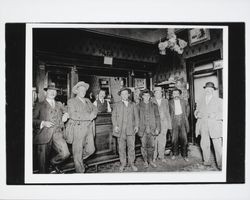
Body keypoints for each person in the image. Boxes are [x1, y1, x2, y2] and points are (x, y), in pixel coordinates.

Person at [33, 83, 70, 173]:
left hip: (57, 133)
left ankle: (52, 163)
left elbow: (67, 111)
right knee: (42, 164)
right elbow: (31, 120)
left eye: (54, 91)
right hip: (43, 134)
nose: (52, 93)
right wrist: (43, 122)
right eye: (50, 91)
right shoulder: (39, 105)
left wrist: (66, 114)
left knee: (65, 153)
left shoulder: (59, 104)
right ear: (46, 92)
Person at [64, 81, 98, 173]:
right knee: (77, 151)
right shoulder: (71, 101)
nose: (83, 92)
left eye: (84, 90)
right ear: (77, 91)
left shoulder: (87, 100)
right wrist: (88, 117)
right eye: (81, 90)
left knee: (91, 150)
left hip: (89, 129)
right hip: (78, 129)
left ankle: (79, 160)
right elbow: (73, 115)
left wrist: (93, 114)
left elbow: (95, 109)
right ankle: (80, 172)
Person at [194, 82, 223, 170]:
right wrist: (197, 114)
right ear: (205, 90)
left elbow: (224, 114)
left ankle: (221, 165)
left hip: (214, 126)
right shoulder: (200, 100)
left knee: (217, 147)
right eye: (207, 89)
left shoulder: (219, 101)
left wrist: (215, 115)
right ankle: (206, 162)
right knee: (204, 144)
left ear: (213, 90)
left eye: (210, 89)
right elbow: (196, 111)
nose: (208, 91)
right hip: (203, 125)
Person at [112, 87, 139, 172]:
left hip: (131, 130)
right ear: (121, 95)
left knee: (131, 148)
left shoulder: (133, 104)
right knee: (121, 148)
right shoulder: (117, 104)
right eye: (122, 94)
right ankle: (123, 164)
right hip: (120, 130)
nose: (124, 95)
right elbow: (113, 116)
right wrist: (115, 126)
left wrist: (137, 126)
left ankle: (132, 163)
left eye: (126, 94)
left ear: (128, 95)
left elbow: (136, 117)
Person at [137, 89, 161, 168]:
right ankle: (145, 161)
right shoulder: (138, 106)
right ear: (142, 97)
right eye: (144, 95)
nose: (146, 97)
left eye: (148, 95)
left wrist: (158, 128)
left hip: (152, 129)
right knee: (143, 146)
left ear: (150, 96)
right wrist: (137, 128)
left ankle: (150, 161)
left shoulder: (154, 105)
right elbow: (136, 118)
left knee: (151, 147)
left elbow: (157, 117)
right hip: (142, 130)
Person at [169, 88, 190, 162]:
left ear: (179, 94)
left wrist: (184, 118)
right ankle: (175, 154)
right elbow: (169, 112)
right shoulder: (170, 102)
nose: (176, 95)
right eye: (174, 94)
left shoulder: (184, 102)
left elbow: (187, 110)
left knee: (184, 139)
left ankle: (185, 155)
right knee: (174, 139)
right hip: (174, 121)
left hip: (182, 121)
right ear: (172, 95)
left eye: (177, 93)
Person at [152, 87, 172, 163]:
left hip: (164, 124)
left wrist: (169, 125)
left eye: (160, 92)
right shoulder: (151, 101)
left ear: (162, 93)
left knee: (163, 141)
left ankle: (161, 156)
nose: (158, 93)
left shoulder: (165, 101)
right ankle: (154, 157)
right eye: (157, 92)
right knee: (154, 141)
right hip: (155, 125)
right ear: (154, 93)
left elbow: (167, 113)